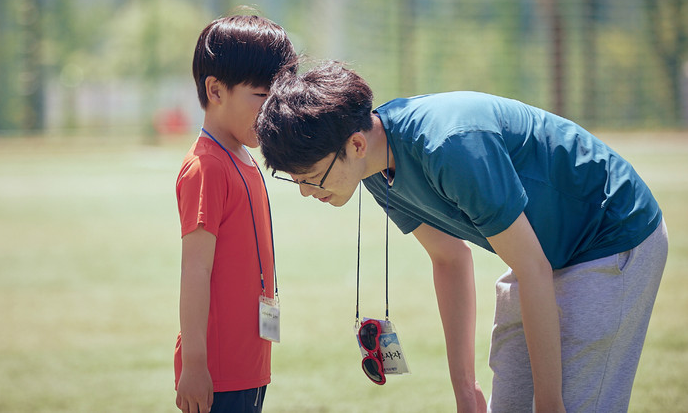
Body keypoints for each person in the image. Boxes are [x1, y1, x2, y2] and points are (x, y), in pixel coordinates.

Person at [255, 61, 668, 413]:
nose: (306, 192)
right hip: (542, 256)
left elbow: (532, 268)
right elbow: (449, 258)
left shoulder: (449, 148)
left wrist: (548, 400)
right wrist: (465, 390)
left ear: (357, 144)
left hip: (609, 234)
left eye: (312, 177)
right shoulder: (375, 170)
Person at [174, 14, 296, 413]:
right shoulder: (206, 167)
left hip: (250, 364)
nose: (273, 110)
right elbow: (195, 270)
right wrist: (195, 364)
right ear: (215, 90)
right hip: (217, 372)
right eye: (262, 96)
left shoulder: (245, 157)